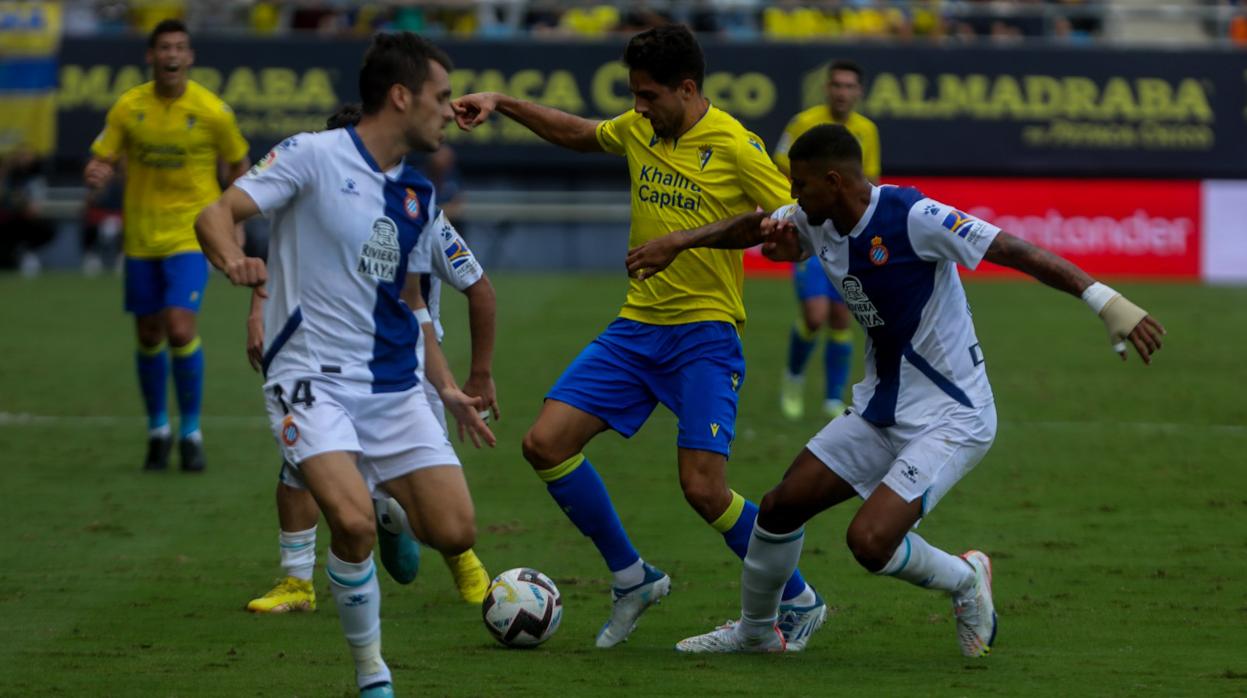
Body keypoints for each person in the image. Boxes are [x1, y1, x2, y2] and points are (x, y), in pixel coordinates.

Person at [624, 124, 1165, 654]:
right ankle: (757, 631)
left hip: (952, 417)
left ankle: (964, 579)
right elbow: (757, 227)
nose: (790, 196)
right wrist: (680, 242)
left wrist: (1105, 301)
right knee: (779, 507)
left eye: (800, 185)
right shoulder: (819, 217)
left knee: (869, 542)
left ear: (834, 181)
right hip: (879, 408)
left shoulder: (914, 217)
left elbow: (1012, 249)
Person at [452, 24, 826, 650]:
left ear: (687, 88)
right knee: (545, 444)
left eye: (649, 96)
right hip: (636, 328)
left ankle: (800, 599)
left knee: (703, 489)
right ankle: (633, 578)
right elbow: (578, 133)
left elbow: (788, 226)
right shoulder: (639, 129)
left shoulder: (736, 144)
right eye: (634, 95)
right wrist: (502, 102)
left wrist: (682, 240)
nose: (638, 108)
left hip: (705, 335)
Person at [195, 32, 494, 697]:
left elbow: (412, 304)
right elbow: (217, 212)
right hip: (307, 379)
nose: (450, 111)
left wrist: (445, 385)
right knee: (350, 522)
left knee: (454, 529)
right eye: (441, 97)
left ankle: (390, 512)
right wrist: (234, 261)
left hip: (391, 385)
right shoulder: (310, 156)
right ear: (400, 96)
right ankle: (372, 676)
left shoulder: (414, 194)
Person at [244, 103, 496, 614]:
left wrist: (467, 378)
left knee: (437, 505)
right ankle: (298, 581)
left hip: (402, 365)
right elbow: (281, 258)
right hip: (319, 362)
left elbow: (435, 296)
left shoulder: (411, 204)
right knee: (299, 466)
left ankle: (456, 555)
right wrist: (260, 310)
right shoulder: (313, 195)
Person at [84, 19, 251, 472]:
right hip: (141, 238)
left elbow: (238, 163)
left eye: (180, 47)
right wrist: (97, 172)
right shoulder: (128, 107)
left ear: (190, 57)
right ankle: (158, 428)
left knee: (180, 328)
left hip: (191, 234)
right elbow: (103, 157)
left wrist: (234, 220)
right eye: (164, 48)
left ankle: (191, 432)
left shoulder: (213, 111)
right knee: (149, 334)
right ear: (151, 56)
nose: (172, 55)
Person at [772, 59, 880, 421]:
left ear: (859, 92)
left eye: (850, 86)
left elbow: (871, 183)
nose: (843, 93)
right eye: (837, 85)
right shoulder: (804, 122)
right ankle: (794, 376)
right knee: (815, 315)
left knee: (839, 316)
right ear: (827, 89)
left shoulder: (867, 131)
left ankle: (833, 398)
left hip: (846, 235)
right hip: (812, 229)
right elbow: (780, 163)